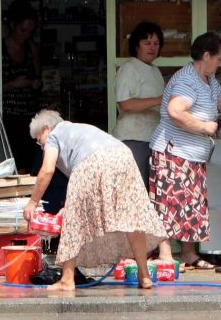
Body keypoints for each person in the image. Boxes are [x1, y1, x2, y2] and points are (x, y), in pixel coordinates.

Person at [21, 110, 167, 293]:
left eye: (38, 139)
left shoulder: (54, 136)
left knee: (73, 222)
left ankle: (67, 280)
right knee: (131, 217)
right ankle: (144, 275)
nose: (40, 145)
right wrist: (69, 205)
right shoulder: (80, 129)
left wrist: (33, 202)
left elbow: (47, 170)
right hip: (123, 156)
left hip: (93, 161)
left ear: (46, 129)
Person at [149, 32, 221, 269]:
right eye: (219, 58)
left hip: (193, 155)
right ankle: (166, 255)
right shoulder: (187, 80)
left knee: (190, 205)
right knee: (169, 203)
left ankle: (189, 254)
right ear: (206, 55)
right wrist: (204, 126)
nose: (220, 63)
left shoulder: (208, 79)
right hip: (173, 152)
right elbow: (175, 111)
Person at [113, 21, 165, 186]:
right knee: (135, 191)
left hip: (153, 139)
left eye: (156, 43)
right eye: (147, 43)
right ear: (136, 45)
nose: (152, 47)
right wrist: (159, 100)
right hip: (133, 139)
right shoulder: (129, 68)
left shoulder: (155, 70)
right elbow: (125, 105)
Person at [1, 2, 42, 174]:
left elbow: (40, 79)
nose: (26, 36)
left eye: (30, 32)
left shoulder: (31, 49)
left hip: (30, 117)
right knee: (13, 164)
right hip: (8, 118)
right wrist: (13, 85)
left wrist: (34, 84)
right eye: (22, 31)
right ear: (12, 26)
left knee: (31, 163)